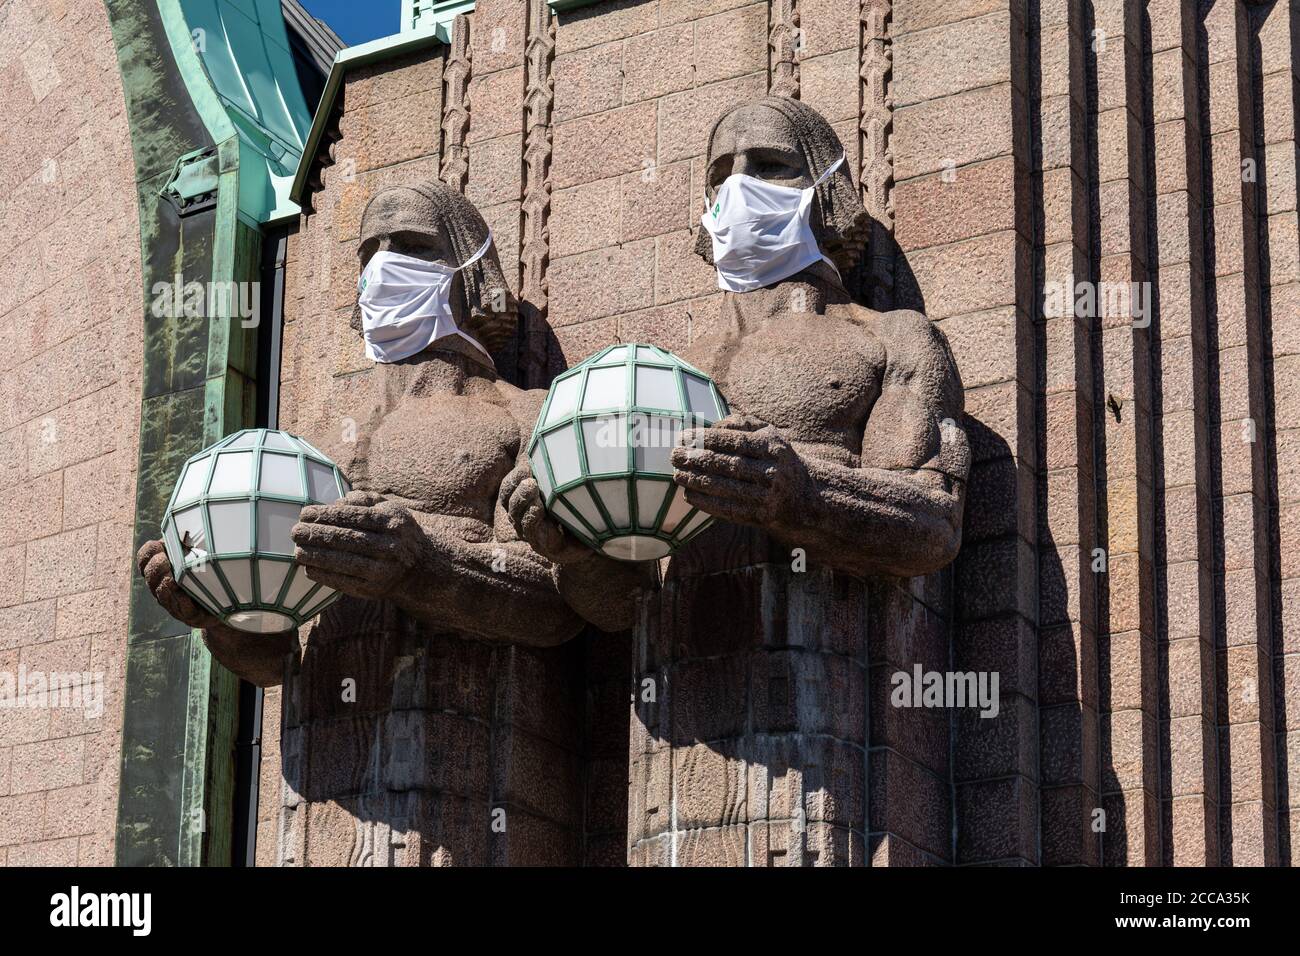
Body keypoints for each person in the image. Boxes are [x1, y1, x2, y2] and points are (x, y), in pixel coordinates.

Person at [138, 181, 647, 688]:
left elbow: (573, 610)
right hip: (319, 729)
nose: (383, 265)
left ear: (471, 272)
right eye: (370, 253)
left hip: (467, 711)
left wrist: (423, 565)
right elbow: (273, 662)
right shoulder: (312, 451)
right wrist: (219, 606)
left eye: (413, 246)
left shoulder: (526, 415)